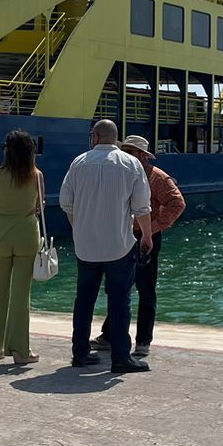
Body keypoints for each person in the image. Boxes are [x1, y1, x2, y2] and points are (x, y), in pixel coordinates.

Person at [60, 119, 153, 374]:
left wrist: (79, 229)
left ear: (96, 136)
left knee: (84, 301)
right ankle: (121, 358)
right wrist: (147, 236)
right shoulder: (131, 164)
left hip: (85, 247)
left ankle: (79, 353)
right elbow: (142, 207)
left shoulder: (78, 163)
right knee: (120, 301)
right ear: (115, 138)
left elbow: (66, 203)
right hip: (119, 246)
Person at [95, 135, 185, 358]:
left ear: (144, 156)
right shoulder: (122, 173)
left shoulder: (157, 178)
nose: (125, 155)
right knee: (116, 287)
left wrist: (152, 228)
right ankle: (109, 335)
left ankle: (143, 340)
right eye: (124, 151)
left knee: (145, 289)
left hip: (145, 238)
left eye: (131, 152)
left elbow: (177, 203)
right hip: (122, 235)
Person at [0, 129, 44, 367]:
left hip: (1, 233)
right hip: (27, 233)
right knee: (21, 294)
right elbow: (40, 205)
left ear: (7, 151)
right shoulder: (36, 175)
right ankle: (20, 350)